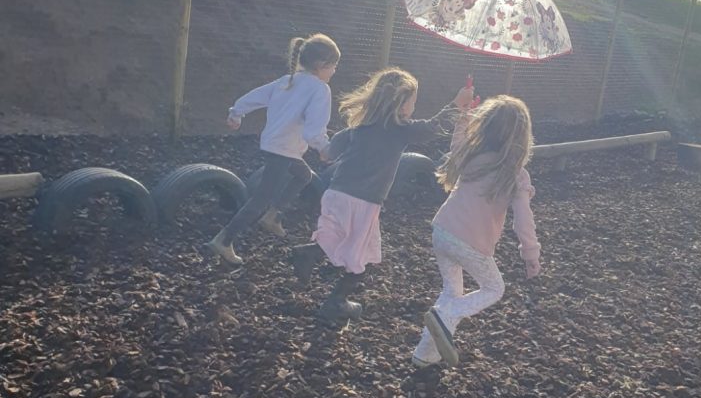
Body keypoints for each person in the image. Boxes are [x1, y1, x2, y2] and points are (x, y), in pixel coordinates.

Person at [291, 69, 473, 324]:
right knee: (361, 254)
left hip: (336, 194)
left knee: (336, 239)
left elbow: (328, 154)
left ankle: (310, 255)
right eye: (412, 101)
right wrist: (457, 104)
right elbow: (433, 127)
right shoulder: (399, 130)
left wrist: (325, 147)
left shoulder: (358, 128)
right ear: (400, 103)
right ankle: (335, 301)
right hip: (364, 201)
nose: (414, 107)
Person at [412, 92, 541, 368]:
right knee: (494, 288)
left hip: (442, 231)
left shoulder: (472, 155)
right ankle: (446, 316)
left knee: (452, 292)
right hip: (470, 243)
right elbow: (523, 220)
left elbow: (457, 142)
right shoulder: (515, 174)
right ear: (522, 135)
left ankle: (425, 355)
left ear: (485, 125)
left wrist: (463, 117)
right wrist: (531, 254)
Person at [205, 33, 341, 265]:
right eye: (334, 66)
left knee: (304, 175)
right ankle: (224, 240)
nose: (335, 71)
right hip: (284, 149)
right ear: (322, 65)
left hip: (274, 144)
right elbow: (314, 128)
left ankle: (273, 216)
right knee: (260, 199)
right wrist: (324, 147)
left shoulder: (288, 80)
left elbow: (257, 96)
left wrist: (237, 112)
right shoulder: (320, 89)